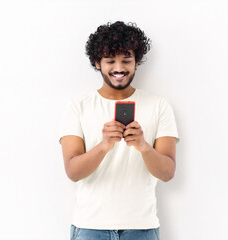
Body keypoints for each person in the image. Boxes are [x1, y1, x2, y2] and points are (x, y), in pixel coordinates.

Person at [58, 21, 179, 240]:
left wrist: (143, 147)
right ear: (97, 63)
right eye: (110, 60)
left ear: (136, 63)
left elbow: (168, 172)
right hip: (90, 228)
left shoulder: (159, 106)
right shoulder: (78, 106)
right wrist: (104, 146)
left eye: (126, 60)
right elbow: (73, 172)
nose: (119, 68)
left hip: (142, 228)